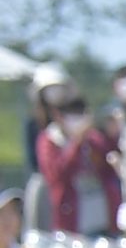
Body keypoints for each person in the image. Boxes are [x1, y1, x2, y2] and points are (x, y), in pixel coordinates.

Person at [35, 90, 119, 237]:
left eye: (80, 113)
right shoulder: (49, 141)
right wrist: (77, 143)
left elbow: (109, 165)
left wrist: (112, 134)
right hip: (70, 224)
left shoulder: (93, 139)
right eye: (72, 113)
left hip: (101, 221)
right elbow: (58, 174)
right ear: (58, 115)